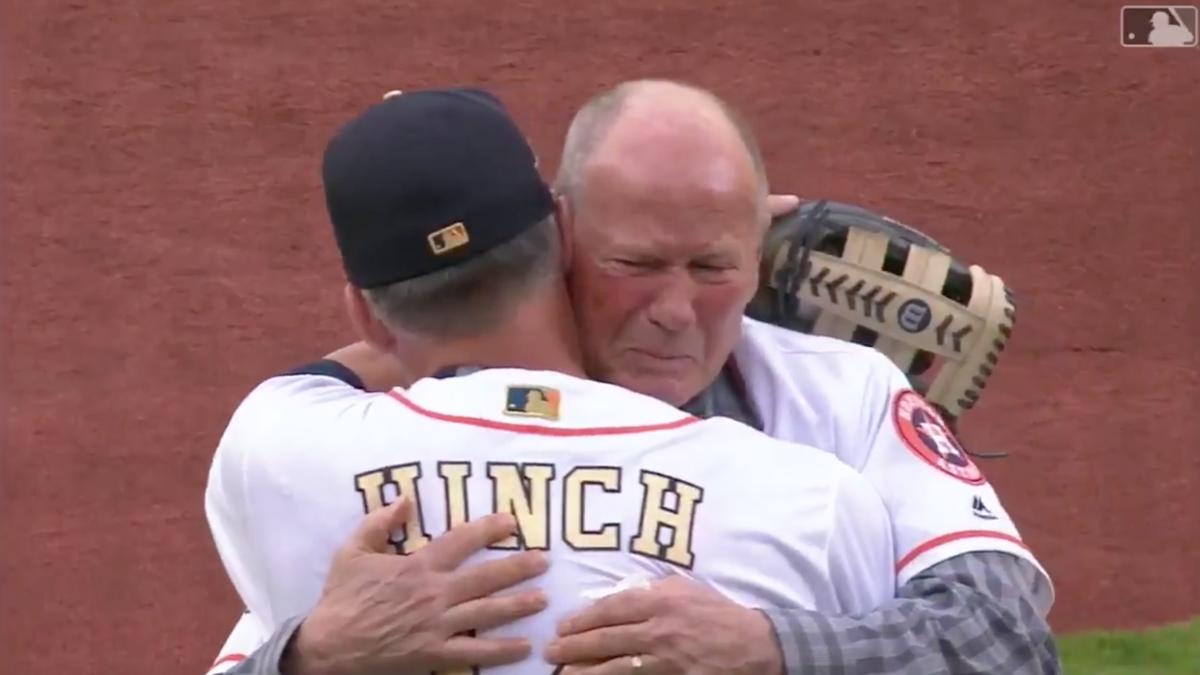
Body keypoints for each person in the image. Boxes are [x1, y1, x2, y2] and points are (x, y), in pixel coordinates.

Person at [209, 79, 1059, 675]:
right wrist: (310, 656)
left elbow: (1009, 643)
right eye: (637, 263)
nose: (675, 311)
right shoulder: (380, 451)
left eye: (713, 265)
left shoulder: (844, 394)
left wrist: (773, 651)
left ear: (759, 251)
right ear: (563, 236)